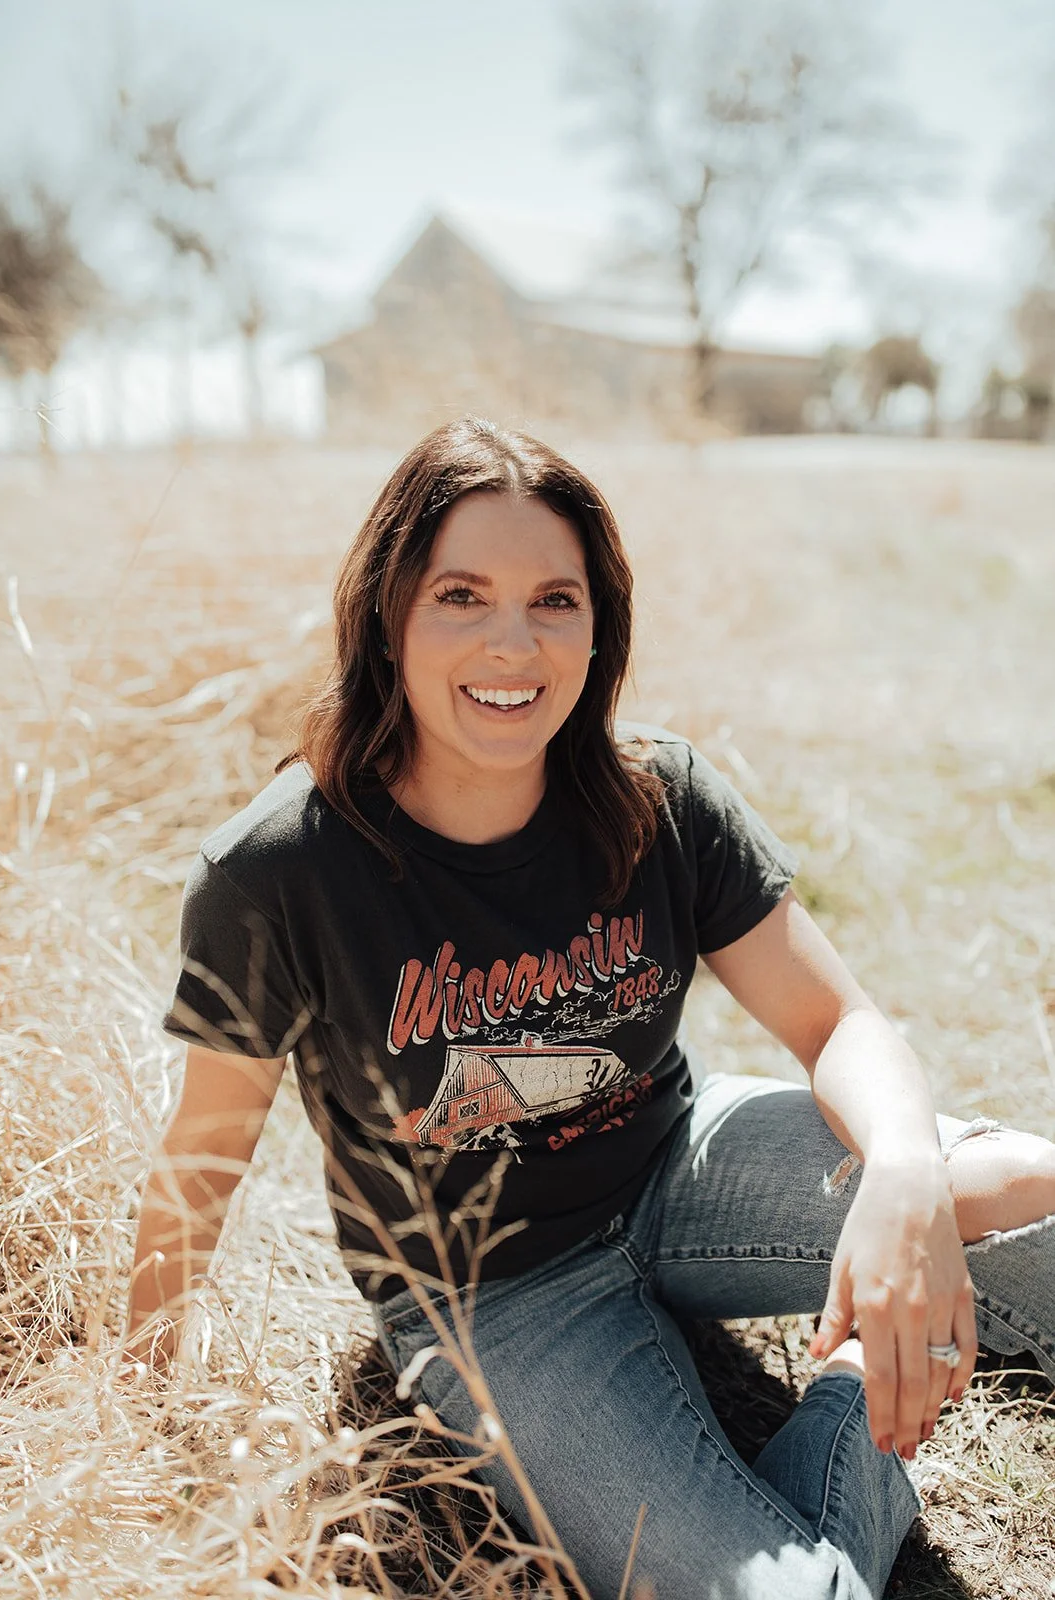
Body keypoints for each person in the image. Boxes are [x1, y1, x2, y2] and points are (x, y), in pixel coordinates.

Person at [128, 417, 1055, 1600]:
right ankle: (858, 1379)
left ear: (596, 623)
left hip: (680, 1167)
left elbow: (840, 1027)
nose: (511, 642)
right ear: (385, 612)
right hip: (489, 1297)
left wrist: (904, 1179)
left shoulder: (653, 796)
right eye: (460, 593)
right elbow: (201, 1163)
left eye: (553, 600)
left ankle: (915, 1296)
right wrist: (142, 1419)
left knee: (1025, 1187)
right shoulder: (277, 869)